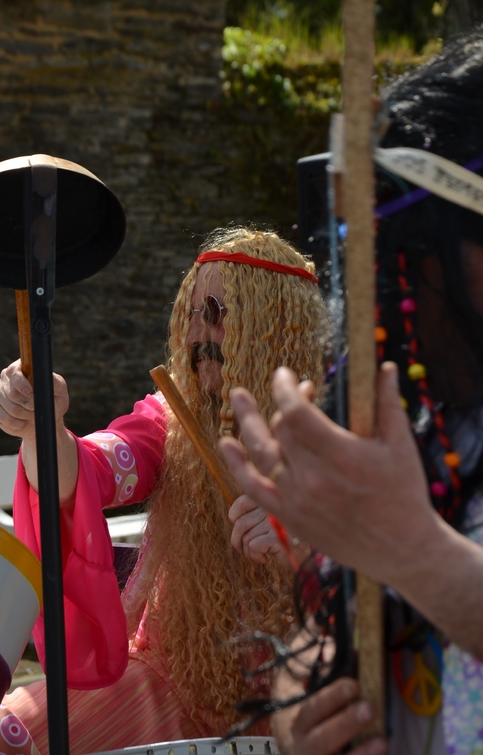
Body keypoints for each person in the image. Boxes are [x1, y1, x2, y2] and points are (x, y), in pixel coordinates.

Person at [223, 28, 483, 755]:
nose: (400, 281)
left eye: (421, 248)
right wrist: (299, 705)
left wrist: (415, 550)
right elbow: (327, 617)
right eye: (388, 253)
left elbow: (405, 556)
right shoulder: (418, 418)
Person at [0, 227, 330, 755]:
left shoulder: (342, 448)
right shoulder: (169, 422)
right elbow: (95, 465)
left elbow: (382, 605)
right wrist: (44, 427)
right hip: (164, 688)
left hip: (303, 715)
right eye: (190, 314)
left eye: (217, 311)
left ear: (273, 327)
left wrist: (305, 548)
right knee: (5, 739)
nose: (196, 335)